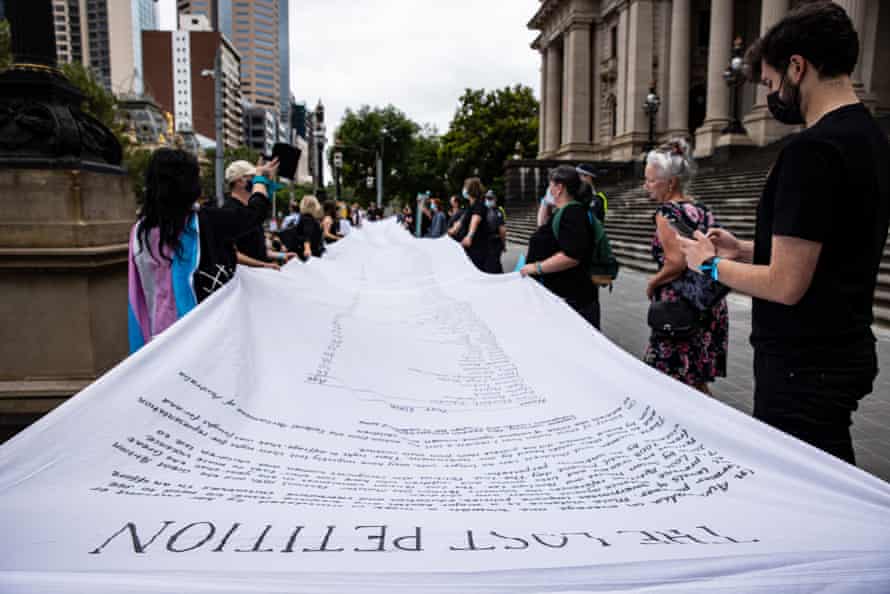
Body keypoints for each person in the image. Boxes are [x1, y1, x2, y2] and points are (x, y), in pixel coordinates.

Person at [677, 3, 890, 464]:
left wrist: (710, 264)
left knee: (814, 489)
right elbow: (830, 247)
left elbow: (787, 285)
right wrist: (749, 249)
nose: (772, 97)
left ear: (798, 66)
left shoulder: (811, 151)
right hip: (840, 347)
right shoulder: (870, 138)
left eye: (771, 84)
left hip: (803, 362)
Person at [128, 149, 277, 352]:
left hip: (159, 336)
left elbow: (137, 293)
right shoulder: (204, 222)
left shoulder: (140, 232)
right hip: (205, 337)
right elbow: (254, 214)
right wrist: (260, 179)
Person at [643, 140, 728, 394]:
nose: (646, 186)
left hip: (679, 305)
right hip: (708, 302)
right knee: (694, 380)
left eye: (651, 180)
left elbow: (676, 262)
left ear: (670, 182)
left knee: (673, 378)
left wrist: (653, 282)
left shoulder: (666, 212)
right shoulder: (702, 209)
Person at [520, 166, 599, 328]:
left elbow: (572, 256)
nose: (548, 189)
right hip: (566, 299)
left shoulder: (572, 214)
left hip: (573, 302)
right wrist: (546, 204)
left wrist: (536, 268)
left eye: (550, 185)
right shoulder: (563, 212)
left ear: (559, 187)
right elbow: (542, 227)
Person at [223, 160, 294, 269]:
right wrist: (264, 265)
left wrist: (282, 256)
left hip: (257, 274)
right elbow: (233, 254)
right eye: (253, 177)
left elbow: (257, 249)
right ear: (239, 181)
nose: (256, 181)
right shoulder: (229, 210)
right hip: (245, 279)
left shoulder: (250, 210)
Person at [456, 178, 490, 270]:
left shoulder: (478, 205)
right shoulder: (470, 206)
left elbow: (475, 220)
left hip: (477, 249)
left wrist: (469, 237)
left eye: (465, 187)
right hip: (471, 249)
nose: (463, 189)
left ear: (470, 190)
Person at [280, 195, 323, 260]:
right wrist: (307, 249)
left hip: (303, 250)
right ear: (313, 206)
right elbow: (306, 234)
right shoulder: (308, 218)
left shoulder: (304, 217)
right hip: (310, 252)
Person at [483, 190, 506, 273]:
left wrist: (503, 244)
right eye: (486, 198)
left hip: (495, 242)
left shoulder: (498, 211)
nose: (488, 200)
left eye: (490, 198)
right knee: (493, 265)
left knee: (494, 265)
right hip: (487, 243)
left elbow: (502, 230)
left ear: (495, 199)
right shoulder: (484, 211)